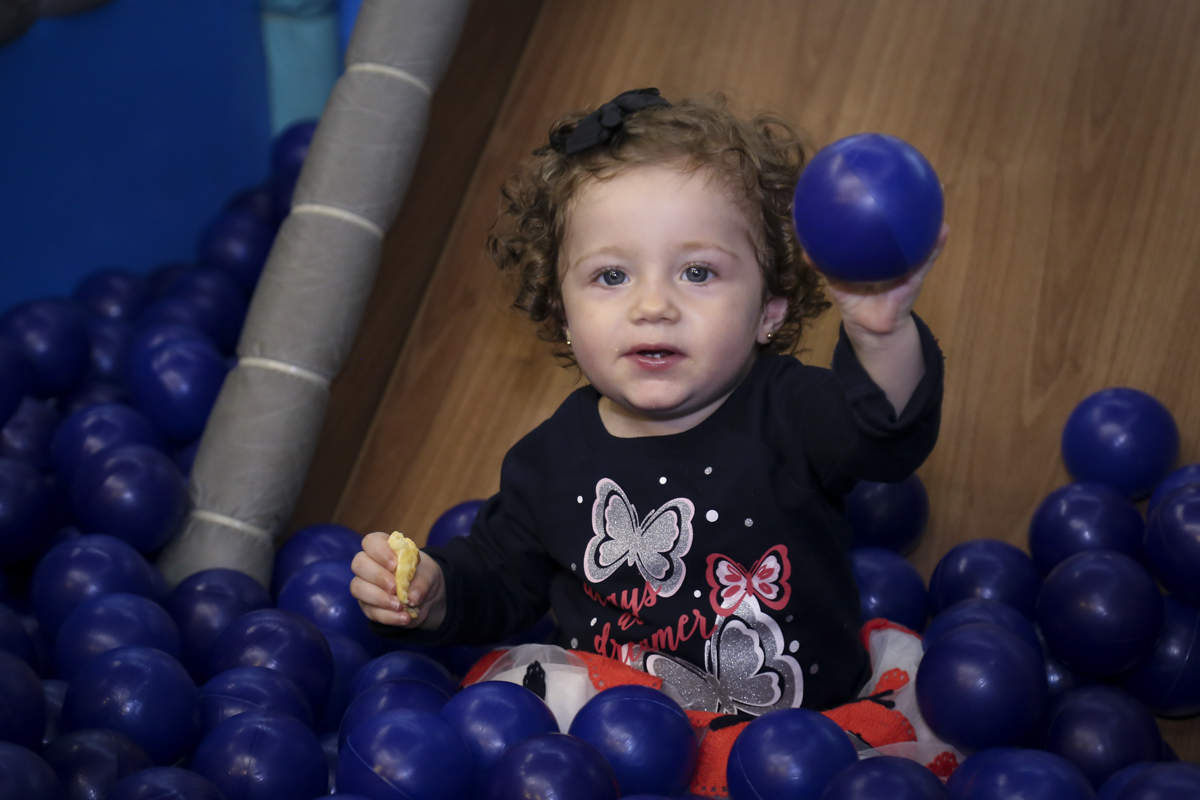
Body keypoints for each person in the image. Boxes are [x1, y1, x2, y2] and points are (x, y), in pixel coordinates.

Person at [350, 88, 946, 717]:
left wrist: (880, 334)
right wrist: (435, 593)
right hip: (613, 741)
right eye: (612, 276)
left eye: (697, 272)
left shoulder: (793, 411)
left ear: (770, 308)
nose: (653, 305)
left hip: (799, 739)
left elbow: (884, 433)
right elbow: (500, 579)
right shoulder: (550, 459)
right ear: (562, 313)